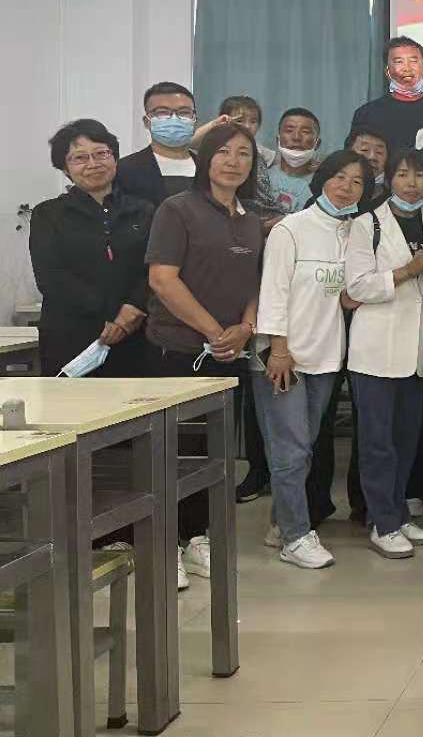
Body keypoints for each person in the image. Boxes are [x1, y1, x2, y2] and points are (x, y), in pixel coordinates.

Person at [144, 122, 263, 589]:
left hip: (229, 353)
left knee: (215, 454)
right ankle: (166, 545)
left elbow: (255, 283)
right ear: (205, 159)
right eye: (224, 151)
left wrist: (246, 328)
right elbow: (162, 279)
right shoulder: (177, 210)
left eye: (244, 153)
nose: (233, 161)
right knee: (173, 452)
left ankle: (197, 537)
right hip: (179, 351)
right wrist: (215, 332)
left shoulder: (250, 220)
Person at [254, 151, 368, 571]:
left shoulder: (353, 231)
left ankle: (279, 522)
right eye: (339, 177)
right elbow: (274, 292)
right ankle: (296, 536)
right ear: (322, 179)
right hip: (285, 356)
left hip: (325, 355)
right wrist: (278, 349)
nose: (346, 187)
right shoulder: (291, 229)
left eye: (357, 182)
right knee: (292, 449)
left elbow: (345, 291)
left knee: (303, 447)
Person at [345, 150, 423, 559]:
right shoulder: (367, 224)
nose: (412, 183)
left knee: (405, 438)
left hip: (417, 349)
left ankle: (398, 513)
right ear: (388, 179)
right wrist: (408, 271)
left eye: (419, 175)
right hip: (376, 349)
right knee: (377, 442)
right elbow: (357, 286)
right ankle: (381, 522)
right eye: (402, 174)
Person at [30, 119, 152, 379]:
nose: (93, 163)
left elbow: (153, 267)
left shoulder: (143, 210)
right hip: (72, 337)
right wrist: (110, 316)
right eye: (80, 158)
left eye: (101, 154)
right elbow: (51, 277)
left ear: (115, 158)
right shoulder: (48, 214)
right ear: (65, 168)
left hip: (135, 332)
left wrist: (133, 309)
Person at [350, 36, 423, 159]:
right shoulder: (367, 113)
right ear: (387, 71)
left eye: (413, 61)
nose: (407, 68)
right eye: (399, 62)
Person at [116, 81, 199, 206]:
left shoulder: (208, 166)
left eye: (184, 112)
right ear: (147, 122)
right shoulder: (125, 170)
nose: (174, 118)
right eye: (162, 112)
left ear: (194, 120)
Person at [266, 107, 323, 216]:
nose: (296, 137)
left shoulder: (325, 183)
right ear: (278, 140)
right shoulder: (262, 176)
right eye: (289, 131)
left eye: (305, 132)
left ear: (317, 143)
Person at [347, 126, 390, 212]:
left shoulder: (392, 201)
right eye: (364, 150)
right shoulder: (334, 191)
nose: (372, 157)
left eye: (379, 152)